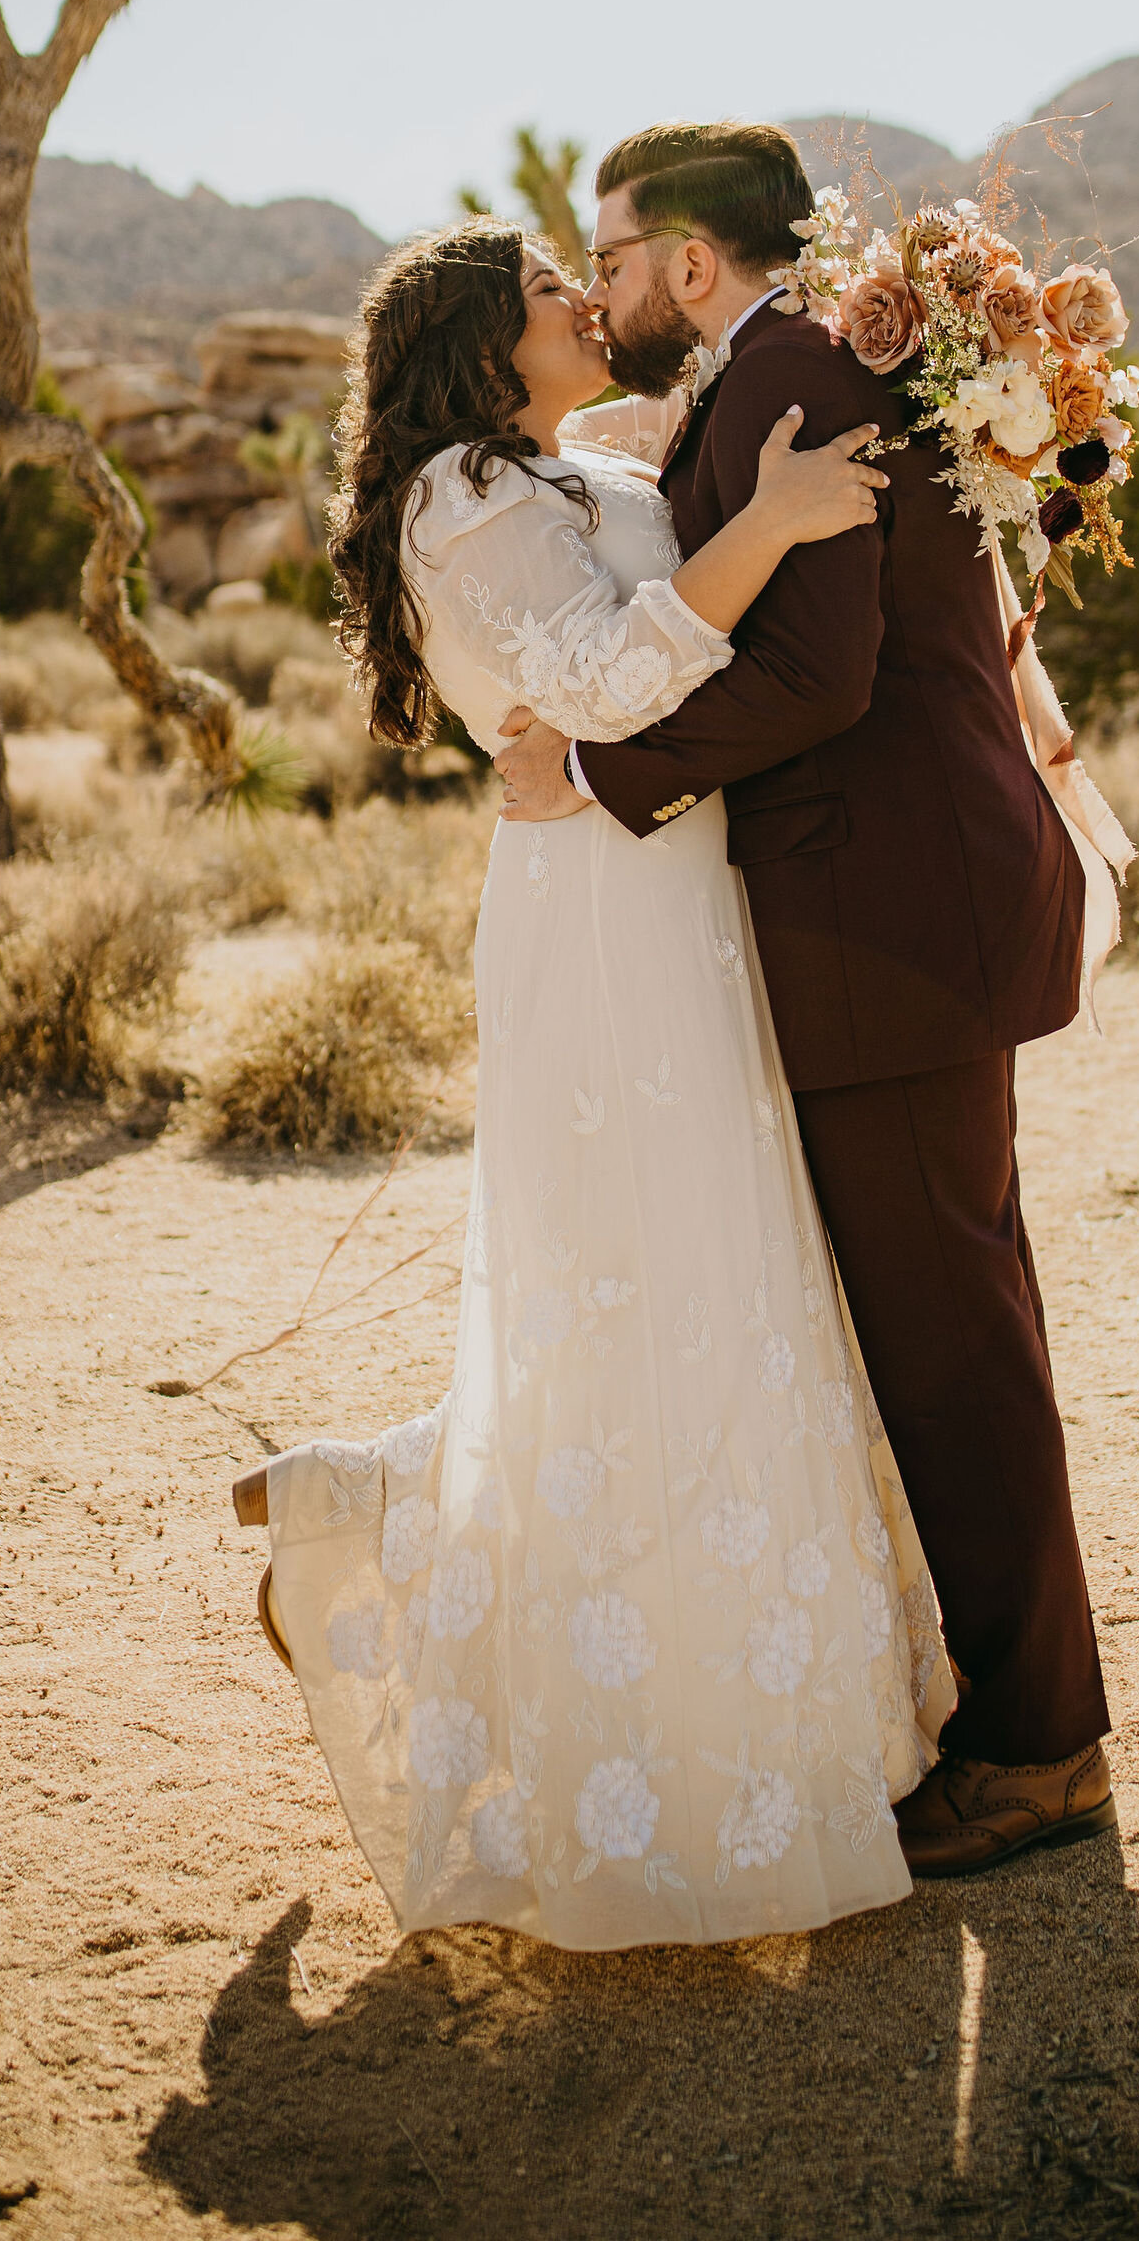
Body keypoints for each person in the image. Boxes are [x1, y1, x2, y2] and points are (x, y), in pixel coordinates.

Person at [254, 217, 958, 1950]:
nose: (588, 300)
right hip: (598, 927)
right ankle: (470, 1598)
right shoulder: (455, 503)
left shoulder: (574, 463)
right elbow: (601, 684)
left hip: (679, 896)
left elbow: (626, 656)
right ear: (491, 349)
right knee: (636, 1291)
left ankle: (372, 1505)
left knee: (707, 1283)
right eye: (554, 293)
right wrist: (778, 529)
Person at [494, 122, 1117, 1879]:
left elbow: (818, 671)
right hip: (900, 910)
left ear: (690, 263)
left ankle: (1042, 1747)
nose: (603, 292)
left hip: (891, 921)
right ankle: (1023, 1708)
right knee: (958, 1313)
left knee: (955, 1335)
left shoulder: (784, 373)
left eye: (611, 260)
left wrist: (600, 777)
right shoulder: (783, 365)